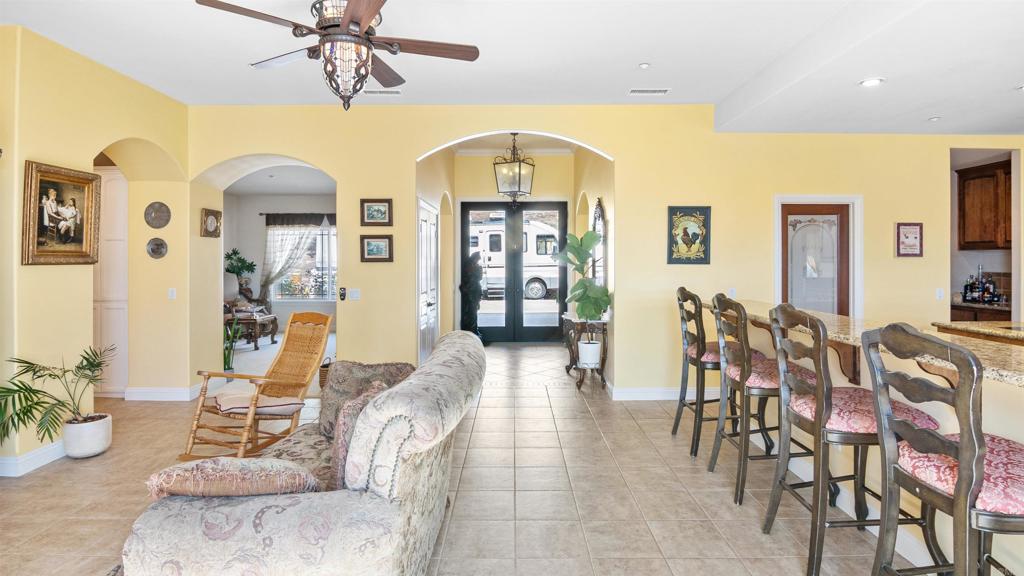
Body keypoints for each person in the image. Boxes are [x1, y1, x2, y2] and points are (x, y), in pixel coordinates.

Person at [459, 252, 485, 343]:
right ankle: (471, 333)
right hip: (470, 293)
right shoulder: (469, 266)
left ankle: (474, 331)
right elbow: (472, 279)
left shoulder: (475, 266)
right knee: (470, 314)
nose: (478, 261)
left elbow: (479, 278)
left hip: (474, 293)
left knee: (473, 314)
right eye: (477, 259)